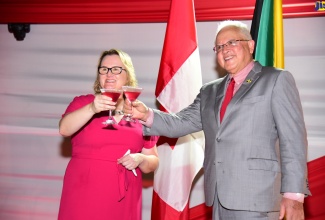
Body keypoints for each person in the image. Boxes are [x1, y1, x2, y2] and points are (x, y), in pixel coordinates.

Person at [123, 20, 310, 220]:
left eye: (232, 42)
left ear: (251, 45)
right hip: (219, 198)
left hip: (259, 199)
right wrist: (146, 115)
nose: (225, 50)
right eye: (219, 47)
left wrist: (294, 195)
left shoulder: (276, 80)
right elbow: (180, 122)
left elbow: (293, 140)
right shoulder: (209, 91)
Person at [58, 48, 159, 220]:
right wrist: (92, 108)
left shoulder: (140, 112)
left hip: (125, 195)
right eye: (103, 69)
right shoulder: (83, 103)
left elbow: (153, 161)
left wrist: (140, 159)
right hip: (84, 191)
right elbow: (64, 129)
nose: (109, 74)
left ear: (128, 75)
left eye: (116, 69)